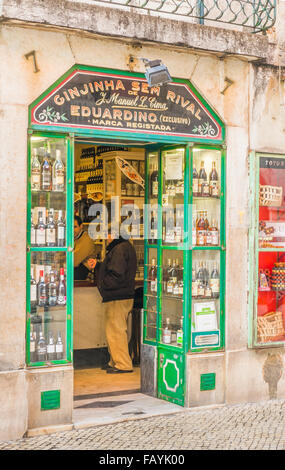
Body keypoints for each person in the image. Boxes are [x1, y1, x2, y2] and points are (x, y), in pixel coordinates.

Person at [88, 227, 137, 374]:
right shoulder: (124, 247)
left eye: (107, 235)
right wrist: (98, 266)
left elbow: (116, 273)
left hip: (117, 296)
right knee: (114, 330)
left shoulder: (119, 249)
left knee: (116, 331)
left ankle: (123, 364)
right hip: (121, 295)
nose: (106, 238)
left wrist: (104, 285)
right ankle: (115, 361)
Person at [74, 215, 96, 280]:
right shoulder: (74, 238)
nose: (72, 230)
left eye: (75, 227)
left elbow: (75, 261)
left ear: (81, 226)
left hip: (82, 271)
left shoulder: (86, 239)